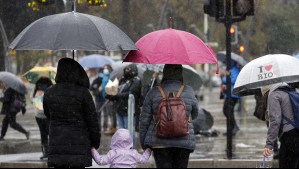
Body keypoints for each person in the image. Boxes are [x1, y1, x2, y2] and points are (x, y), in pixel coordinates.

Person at [43, 58, 100, 168]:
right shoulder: (83, 93)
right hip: (79, 144)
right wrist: (95, 141)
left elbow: (48, 114)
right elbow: (92, 120)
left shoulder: (49, 92)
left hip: (57, 143)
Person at [140, 64, 198, 168]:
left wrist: (144, 143)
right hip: (183, 141)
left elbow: (144, 119)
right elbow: (195, 113)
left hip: (159, 141)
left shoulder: (153, 91)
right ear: (181, 73)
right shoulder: (189, 91)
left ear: (164, 73)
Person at [262, 83, 299, 168]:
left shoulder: (274, 95)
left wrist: (269, 144)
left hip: (289, 137)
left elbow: (275, 121)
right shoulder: (291, 91)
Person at [106, 64, 141, 129]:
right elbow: (117, 90)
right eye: (125, 70)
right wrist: (111, 95)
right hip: (120, 108)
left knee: (128, 131)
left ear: (132, 71)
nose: (126, 72)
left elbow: (131, 93)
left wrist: (118, 95)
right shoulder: (123, 80)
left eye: (128, 70)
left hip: (128, 110)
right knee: (121, 131)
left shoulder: (136, 81)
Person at [32, 77, 53, 160]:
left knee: (43, 133)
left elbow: (32, 100)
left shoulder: (37, 88)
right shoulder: (51, 88)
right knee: (49, 133)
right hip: (47, 115)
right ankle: (49, 151)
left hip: (39, 115)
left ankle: (46, 151)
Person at [221, 60, 241, 136]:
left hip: (233, 94)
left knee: (228, 111)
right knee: (227, 110)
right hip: (229, 93)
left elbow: (234, 80)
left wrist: (224, 78)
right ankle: (232, 128)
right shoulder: (230, 70)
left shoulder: (235, 69)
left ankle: (234, 126)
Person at [90, 68, 105, 133]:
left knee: (106, 115)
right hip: (98, 99)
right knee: (98, 113)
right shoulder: (96, 80)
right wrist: (94, 87)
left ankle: (104, 127)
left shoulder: (106, 79)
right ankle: (99, 127)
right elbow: (91, 88)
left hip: (105, 98)